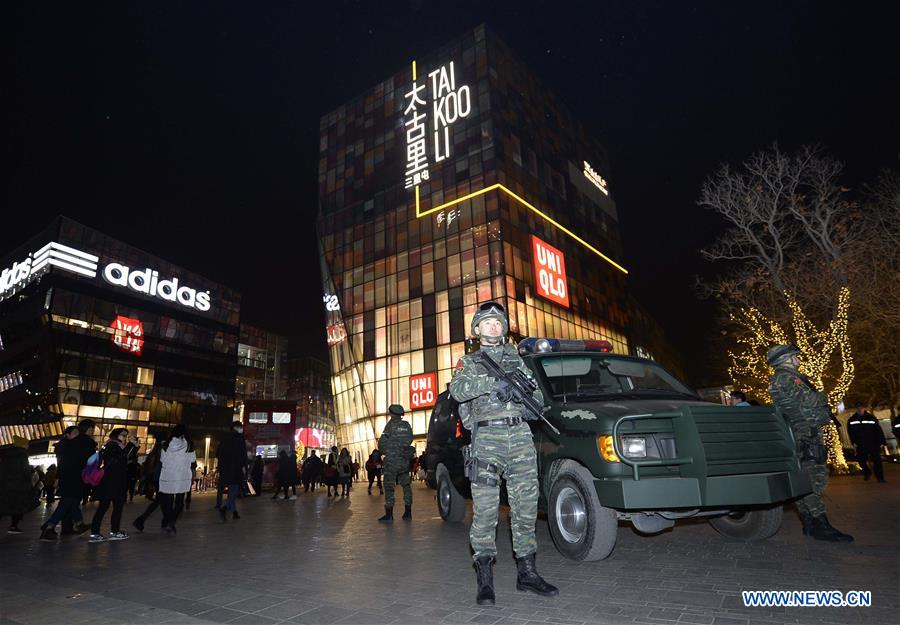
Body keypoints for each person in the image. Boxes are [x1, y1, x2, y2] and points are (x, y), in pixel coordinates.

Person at [449, 302, 558, 604]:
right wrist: (493, 384)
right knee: (484, 510)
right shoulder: (469, 362)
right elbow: (458, 391)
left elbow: (536, 397)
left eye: (498, 323)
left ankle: (528, 574)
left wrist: (520, 396)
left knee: (525, 506)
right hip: (487, 438)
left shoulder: (518, 361)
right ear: (477, 329)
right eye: (487, 323)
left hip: (519, 436)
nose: (494, 327)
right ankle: (485, 580)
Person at [767, 344, 853, 542]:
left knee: (807, 477)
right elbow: (810, 400)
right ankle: (820, 524)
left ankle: (810, 523)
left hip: (804, 431)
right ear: (785, 359)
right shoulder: (786, 378)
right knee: (814, 478)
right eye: (795, 357)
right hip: (805, 433)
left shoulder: (785, 377)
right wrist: (823, 396)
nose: (798, 360)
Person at [39, 422, 96, 540]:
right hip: (73, 477)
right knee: (66, 503)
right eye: (74, 432)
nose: (77, 434)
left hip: (70, 477)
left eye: (77, 432)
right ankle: (49, 526)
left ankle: (79, 523)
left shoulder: (67, 445)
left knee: (73, 502)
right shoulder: (81, 443)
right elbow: (87, 461)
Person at [89, 428, 131, 542]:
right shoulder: (112, 446)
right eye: (123, 435)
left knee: (109, 507)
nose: (125, 438)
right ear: (116, 435)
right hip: (112, 482)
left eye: (126, 436)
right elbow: (120, 457)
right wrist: (131, 445)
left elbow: (125, 458)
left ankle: (102, 531)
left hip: (113, 481)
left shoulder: (114, 446)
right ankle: (107, 531)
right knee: (109, 507)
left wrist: (134, 447)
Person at [377, 404, 414, 522]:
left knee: (389, 487)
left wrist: (384, 450)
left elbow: (382, 443)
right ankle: (408, 513)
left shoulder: (390, 425)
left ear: (392, 414)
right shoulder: (406, 425)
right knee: (406, 486)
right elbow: (410, 439)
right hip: (403, 461)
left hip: (392, 462)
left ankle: (389, 515)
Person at [157, 425, 196, 533]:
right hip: (182, 476)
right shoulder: (188, 445)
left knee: (168, 501)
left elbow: (162, 459)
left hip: (168, 475)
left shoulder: (166, 444)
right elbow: (193, 459)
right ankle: (171, 521)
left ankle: (168, 520)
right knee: (179, 502)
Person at [0, 441, 40, 534]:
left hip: (5, 485)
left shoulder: (6, 455)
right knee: (18, 506)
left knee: (2, 506)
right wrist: (29, 482)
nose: (27, 446)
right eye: (26, 444)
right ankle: (14, 526)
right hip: (19, 486)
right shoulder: (22, 455)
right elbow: (25, 471)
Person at [216, 421, 247, 521]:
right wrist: (244, 467)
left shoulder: (224, 438)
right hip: (235, 469)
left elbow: (218, 453)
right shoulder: (239, 438)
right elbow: (243, 454)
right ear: (237, 428)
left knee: (232, 490)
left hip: (225, 469)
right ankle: (225, 508)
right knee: (234, 491)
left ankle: (234, 512)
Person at [848, 403, 887, 482]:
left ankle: (880, 478)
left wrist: (882, 442)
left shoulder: (871, 418)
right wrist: (854, 442)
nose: (859, 409)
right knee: (861, 461)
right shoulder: (852, 419)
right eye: (858, 408)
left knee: (877, 461)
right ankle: (867, 472)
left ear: (864, 408)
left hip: (873, 443)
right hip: (860, 443)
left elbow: (878, 430)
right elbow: (850, 432)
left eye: (861, 408)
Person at [132, 440, 163, 533]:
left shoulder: (152, 454)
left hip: (156, 480)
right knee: (161, 500)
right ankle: (141, 520)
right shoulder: (159, 454)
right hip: (161, 480)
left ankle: (141, 520)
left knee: (161, 501)